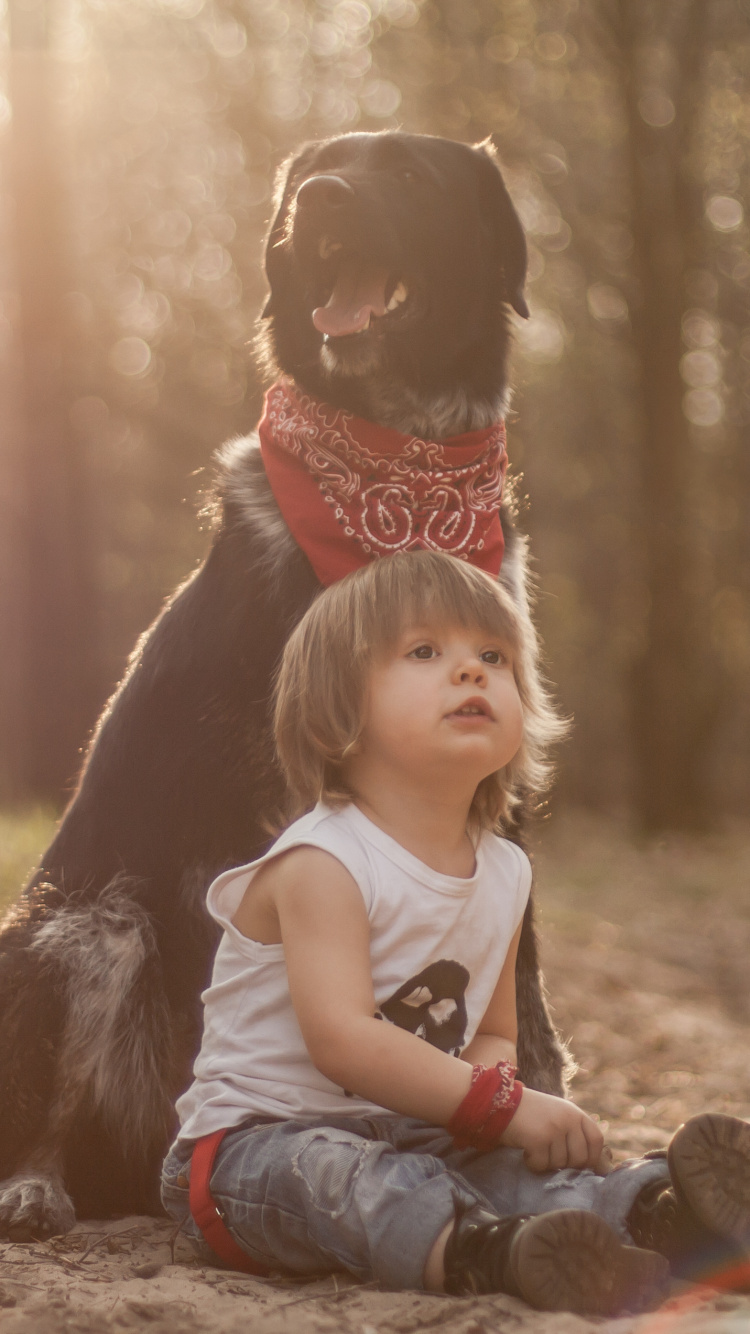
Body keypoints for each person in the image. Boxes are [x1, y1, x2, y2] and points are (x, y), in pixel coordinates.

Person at [162, 551, 750, 1314]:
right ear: (339, 706)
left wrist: (501, 1106)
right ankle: (487, 1253)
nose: (471, 672)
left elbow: (492, 1034)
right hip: (252, 1154)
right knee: (355, 1182)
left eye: (493, 657)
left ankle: (661, 1215)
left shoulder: (503, 872)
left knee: (514, 1175)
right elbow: (342, 1039)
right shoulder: (323, 862)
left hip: (422, 1132)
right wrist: (503, 1110)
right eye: (424, 652)